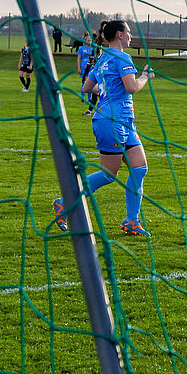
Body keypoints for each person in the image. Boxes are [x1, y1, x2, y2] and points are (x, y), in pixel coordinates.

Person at [53, 19, 158, 236]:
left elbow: (86, 86)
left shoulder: (102, 58)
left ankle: (131, 220)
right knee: (110, 173)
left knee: (139, 167)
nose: (131, 36)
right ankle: (65, 202)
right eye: (128, 32)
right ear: (119, 34)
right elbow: (131, 87)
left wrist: (108, 93)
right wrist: (145, 77)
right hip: (112, 121)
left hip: (122, 121)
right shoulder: (122, 57)